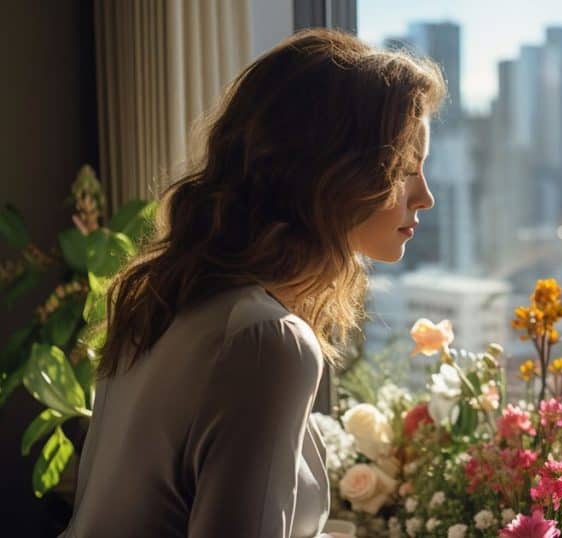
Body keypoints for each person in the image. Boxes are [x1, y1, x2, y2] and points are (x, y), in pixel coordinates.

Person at [60, 28, 444, 538]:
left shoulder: (161, 297)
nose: (425, 197)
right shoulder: (264, 339)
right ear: (330, 172)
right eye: (404, 169)